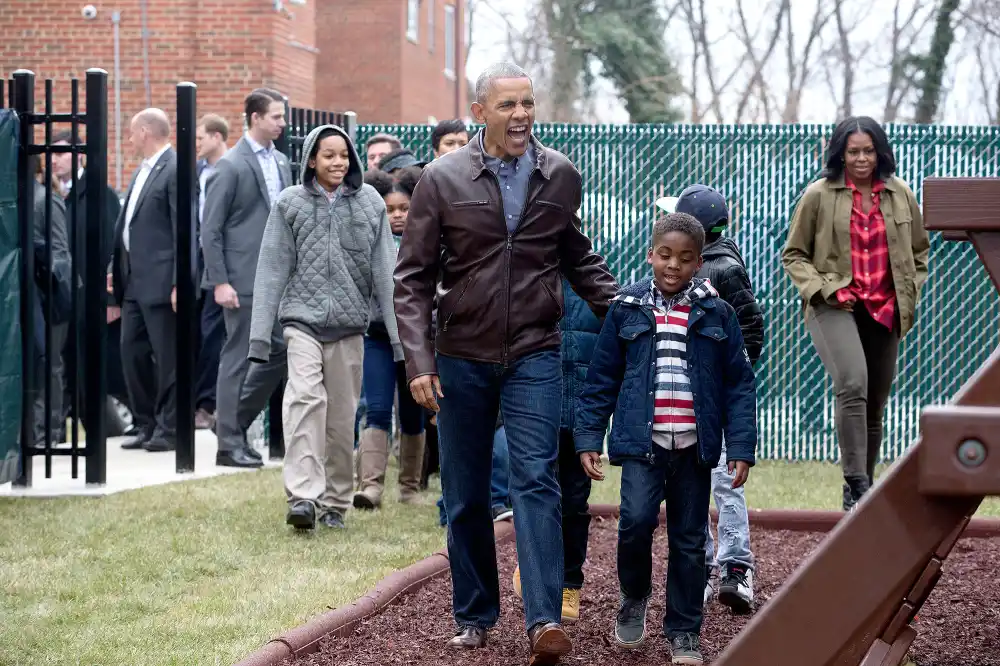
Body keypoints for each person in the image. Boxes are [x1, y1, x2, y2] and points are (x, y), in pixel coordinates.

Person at [394, 61, 618, 663]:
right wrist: (419, 360)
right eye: (507, 105)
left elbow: (576, 256)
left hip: (534, 354)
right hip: (461, 355)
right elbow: (412, 279)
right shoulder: (441, 179)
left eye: (528, 104)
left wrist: (628, 312)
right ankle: (475, 613)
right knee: (466, 491)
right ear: (479, 113)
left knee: (536, 482)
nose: (521, 115)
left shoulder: (559, 174)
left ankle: (544, 619)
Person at [575, 212, 758, 665]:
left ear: (699, 263)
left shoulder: (718, 313)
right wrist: (588, 438)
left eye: (684, 258)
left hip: (695, 449)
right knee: (635, 522)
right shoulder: (627, 308)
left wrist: (740, 447)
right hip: (643, 444)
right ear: (651, 254)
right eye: (665, 255)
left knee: (689, 539)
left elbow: (739, 384)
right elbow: (601, 379)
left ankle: (683, 630)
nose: (673, 265)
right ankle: (635, 595)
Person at [250, 123, 402, 531]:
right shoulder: (290, 204)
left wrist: (399, 338)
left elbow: (386, 271)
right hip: (302, 321)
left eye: (343, 155)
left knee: (340, 417)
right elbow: (271, 267)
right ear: (312, 160)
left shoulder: (370, 203)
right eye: (329, 155)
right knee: (303, 401)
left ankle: (335, 501)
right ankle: (303, 495)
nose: (338, 162)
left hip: (351, 327)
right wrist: (260, 335)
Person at [782, 116, 929, 511]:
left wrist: (909, 292)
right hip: (833, 305)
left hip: (886, 307)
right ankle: (855, 482)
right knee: (852, 382)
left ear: (879, 152)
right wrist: (825, 289)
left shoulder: (900, 194)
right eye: (853, 152)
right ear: (840, 154)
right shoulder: (818, 194)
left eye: (867, 151)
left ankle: (862, 498)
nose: (861, 159)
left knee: (875, 401)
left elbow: (919, 253)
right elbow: (794, 255)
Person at [656, 185, 763, 613]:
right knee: (689, 484)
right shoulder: (695, 266)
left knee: (724, 483)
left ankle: (735, 567)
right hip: (680, 400)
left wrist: (728, 378)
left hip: (712, 402)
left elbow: (751, 329)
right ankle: (698, 564)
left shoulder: (723, 269)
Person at [201, 88, 290, 468]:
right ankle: (228, 445)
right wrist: (219, 281)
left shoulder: (283, 162)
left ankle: (230, 426)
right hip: (240, 280)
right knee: (237, 358)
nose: (283, 123)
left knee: (280, 351)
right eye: (276, 117)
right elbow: (211, 229)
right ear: (254, 118)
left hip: (276, 278)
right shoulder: (231, 165)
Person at [511, 277, 602, 624]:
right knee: (538, 491)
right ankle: (533, 564)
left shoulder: (594, 285)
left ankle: (568, 582)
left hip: (581, 415)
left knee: (575, 503)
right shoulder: (527, 275)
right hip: (534, 411)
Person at [354, 167, 426, 509]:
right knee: (378, 408)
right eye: (390, 209)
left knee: (414, 414)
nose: (397, 215)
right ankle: (370, 487)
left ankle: (410, 488)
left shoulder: (429, 242)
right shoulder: (368, 243)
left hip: (415, 342)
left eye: (404, 208)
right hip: (377, 337)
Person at [109, 108, 179, 453]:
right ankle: (146, 422)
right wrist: (115, 266)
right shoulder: (142, 169)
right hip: (134, 281)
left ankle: (169, 428)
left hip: (164, 282)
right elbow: (128, 225)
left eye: (132, 132)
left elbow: (185, 229)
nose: (129, 139)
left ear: (147, 131)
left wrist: (181, 280)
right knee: (131, 351)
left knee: (167, 357)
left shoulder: (175, 169)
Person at [192, 113, 231, 431]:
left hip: (226, 262)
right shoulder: (197, 172)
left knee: (215, 333)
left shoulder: (231, 169)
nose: (196, 144)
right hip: (197, 259)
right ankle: (201, 401)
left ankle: (209, 403)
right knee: (200, 332)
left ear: (217, 137)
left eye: (200, 138)